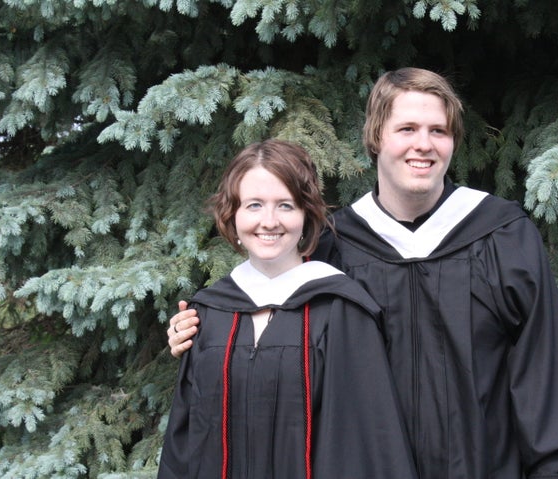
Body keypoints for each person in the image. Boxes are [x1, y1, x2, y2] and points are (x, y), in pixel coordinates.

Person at [168, 69, 558, 478]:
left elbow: (545, 373)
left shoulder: (502, 237)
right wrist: (198, 328)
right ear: (376, 136)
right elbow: (270, 343)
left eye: (439, 131)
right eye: (407, 129)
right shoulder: (334, 249)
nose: (424, 144)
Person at [158, 139, 417, 479]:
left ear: (306, 214)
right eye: (253, 205)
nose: (269, 221)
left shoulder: (340, 310)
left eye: (285, 205)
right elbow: (185, 443)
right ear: (232, 214)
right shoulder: (208, 315)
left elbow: (365, 445)